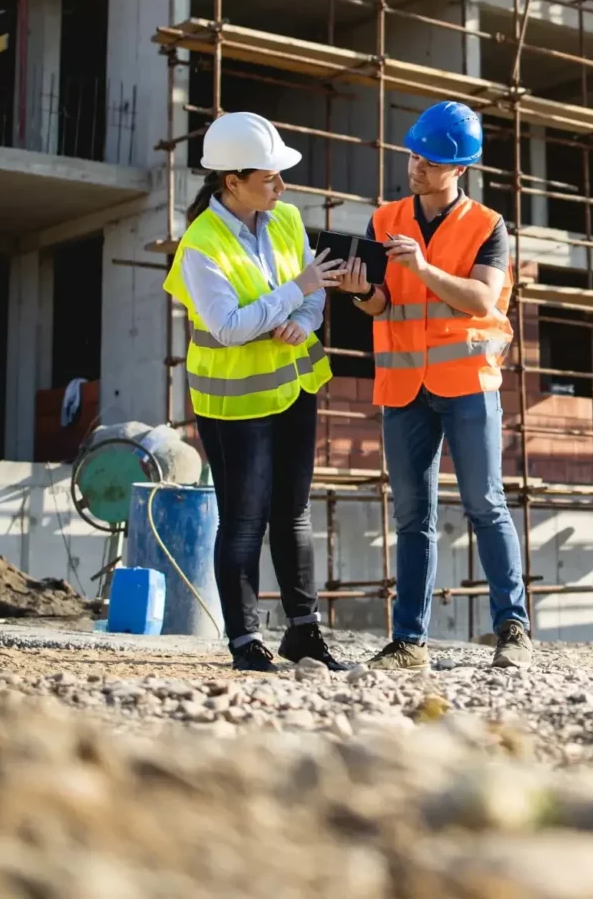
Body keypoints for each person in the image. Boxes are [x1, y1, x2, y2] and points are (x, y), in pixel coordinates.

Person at [337, 100, 533, 671]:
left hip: (467, 383)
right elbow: (382, 305)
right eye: (414, 153)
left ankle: (513, 630)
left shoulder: (487, 226)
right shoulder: (384, 219)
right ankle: (408, 643)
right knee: (411, 517)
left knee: (485, 505)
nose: (416, 165)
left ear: (459, 168)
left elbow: (480, 297)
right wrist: (357, 291)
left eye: (430, 158)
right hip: (404, 389)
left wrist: (422, 267)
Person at [162, 111, 348, 674]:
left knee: (292, 515)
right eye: (270, 177)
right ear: (232, 181)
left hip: (293, 387)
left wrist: (307, 316)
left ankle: (302, 631)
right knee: (243, 520)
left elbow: (315, 289)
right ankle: (245, 641)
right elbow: (227, 325)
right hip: (234, 402)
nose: (281, 186)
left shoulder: (286, 219)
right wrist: (298, 291)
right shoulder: (201, 244)